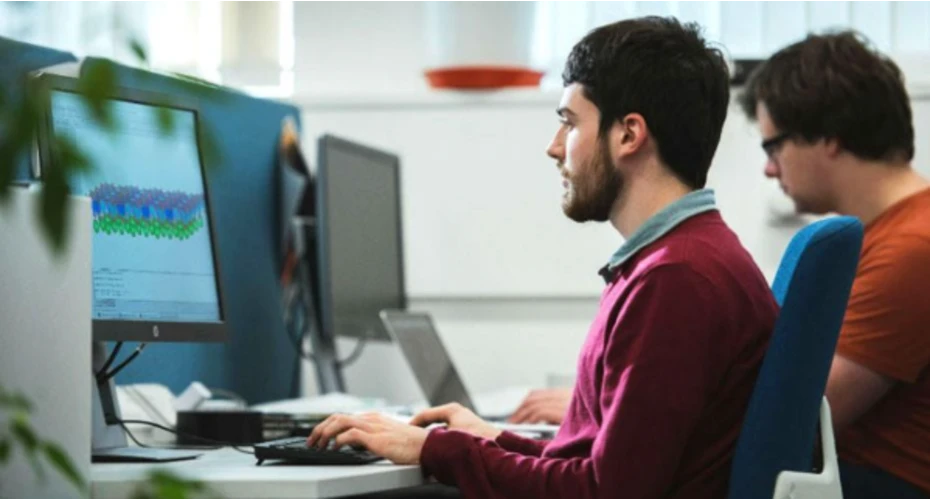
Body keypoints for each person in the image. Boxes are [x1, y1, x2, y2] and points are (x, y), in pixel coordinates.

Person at [309, 17, 778, 499]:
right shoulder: (683, 258)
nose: (554, 147)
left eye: (570, 122)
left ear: (628, 135)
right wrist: (485, 439)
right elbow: (603, 464)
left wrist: (438, 451)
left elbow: (603, 492)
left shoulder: (677, 279)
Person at [740, 31, 930, 500]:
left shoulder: (913, 247)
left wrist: (635, 407)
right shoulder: (882, 236)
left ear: (827, 136)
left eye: (773, 147)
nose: (769, 168)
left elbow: (794, 413)